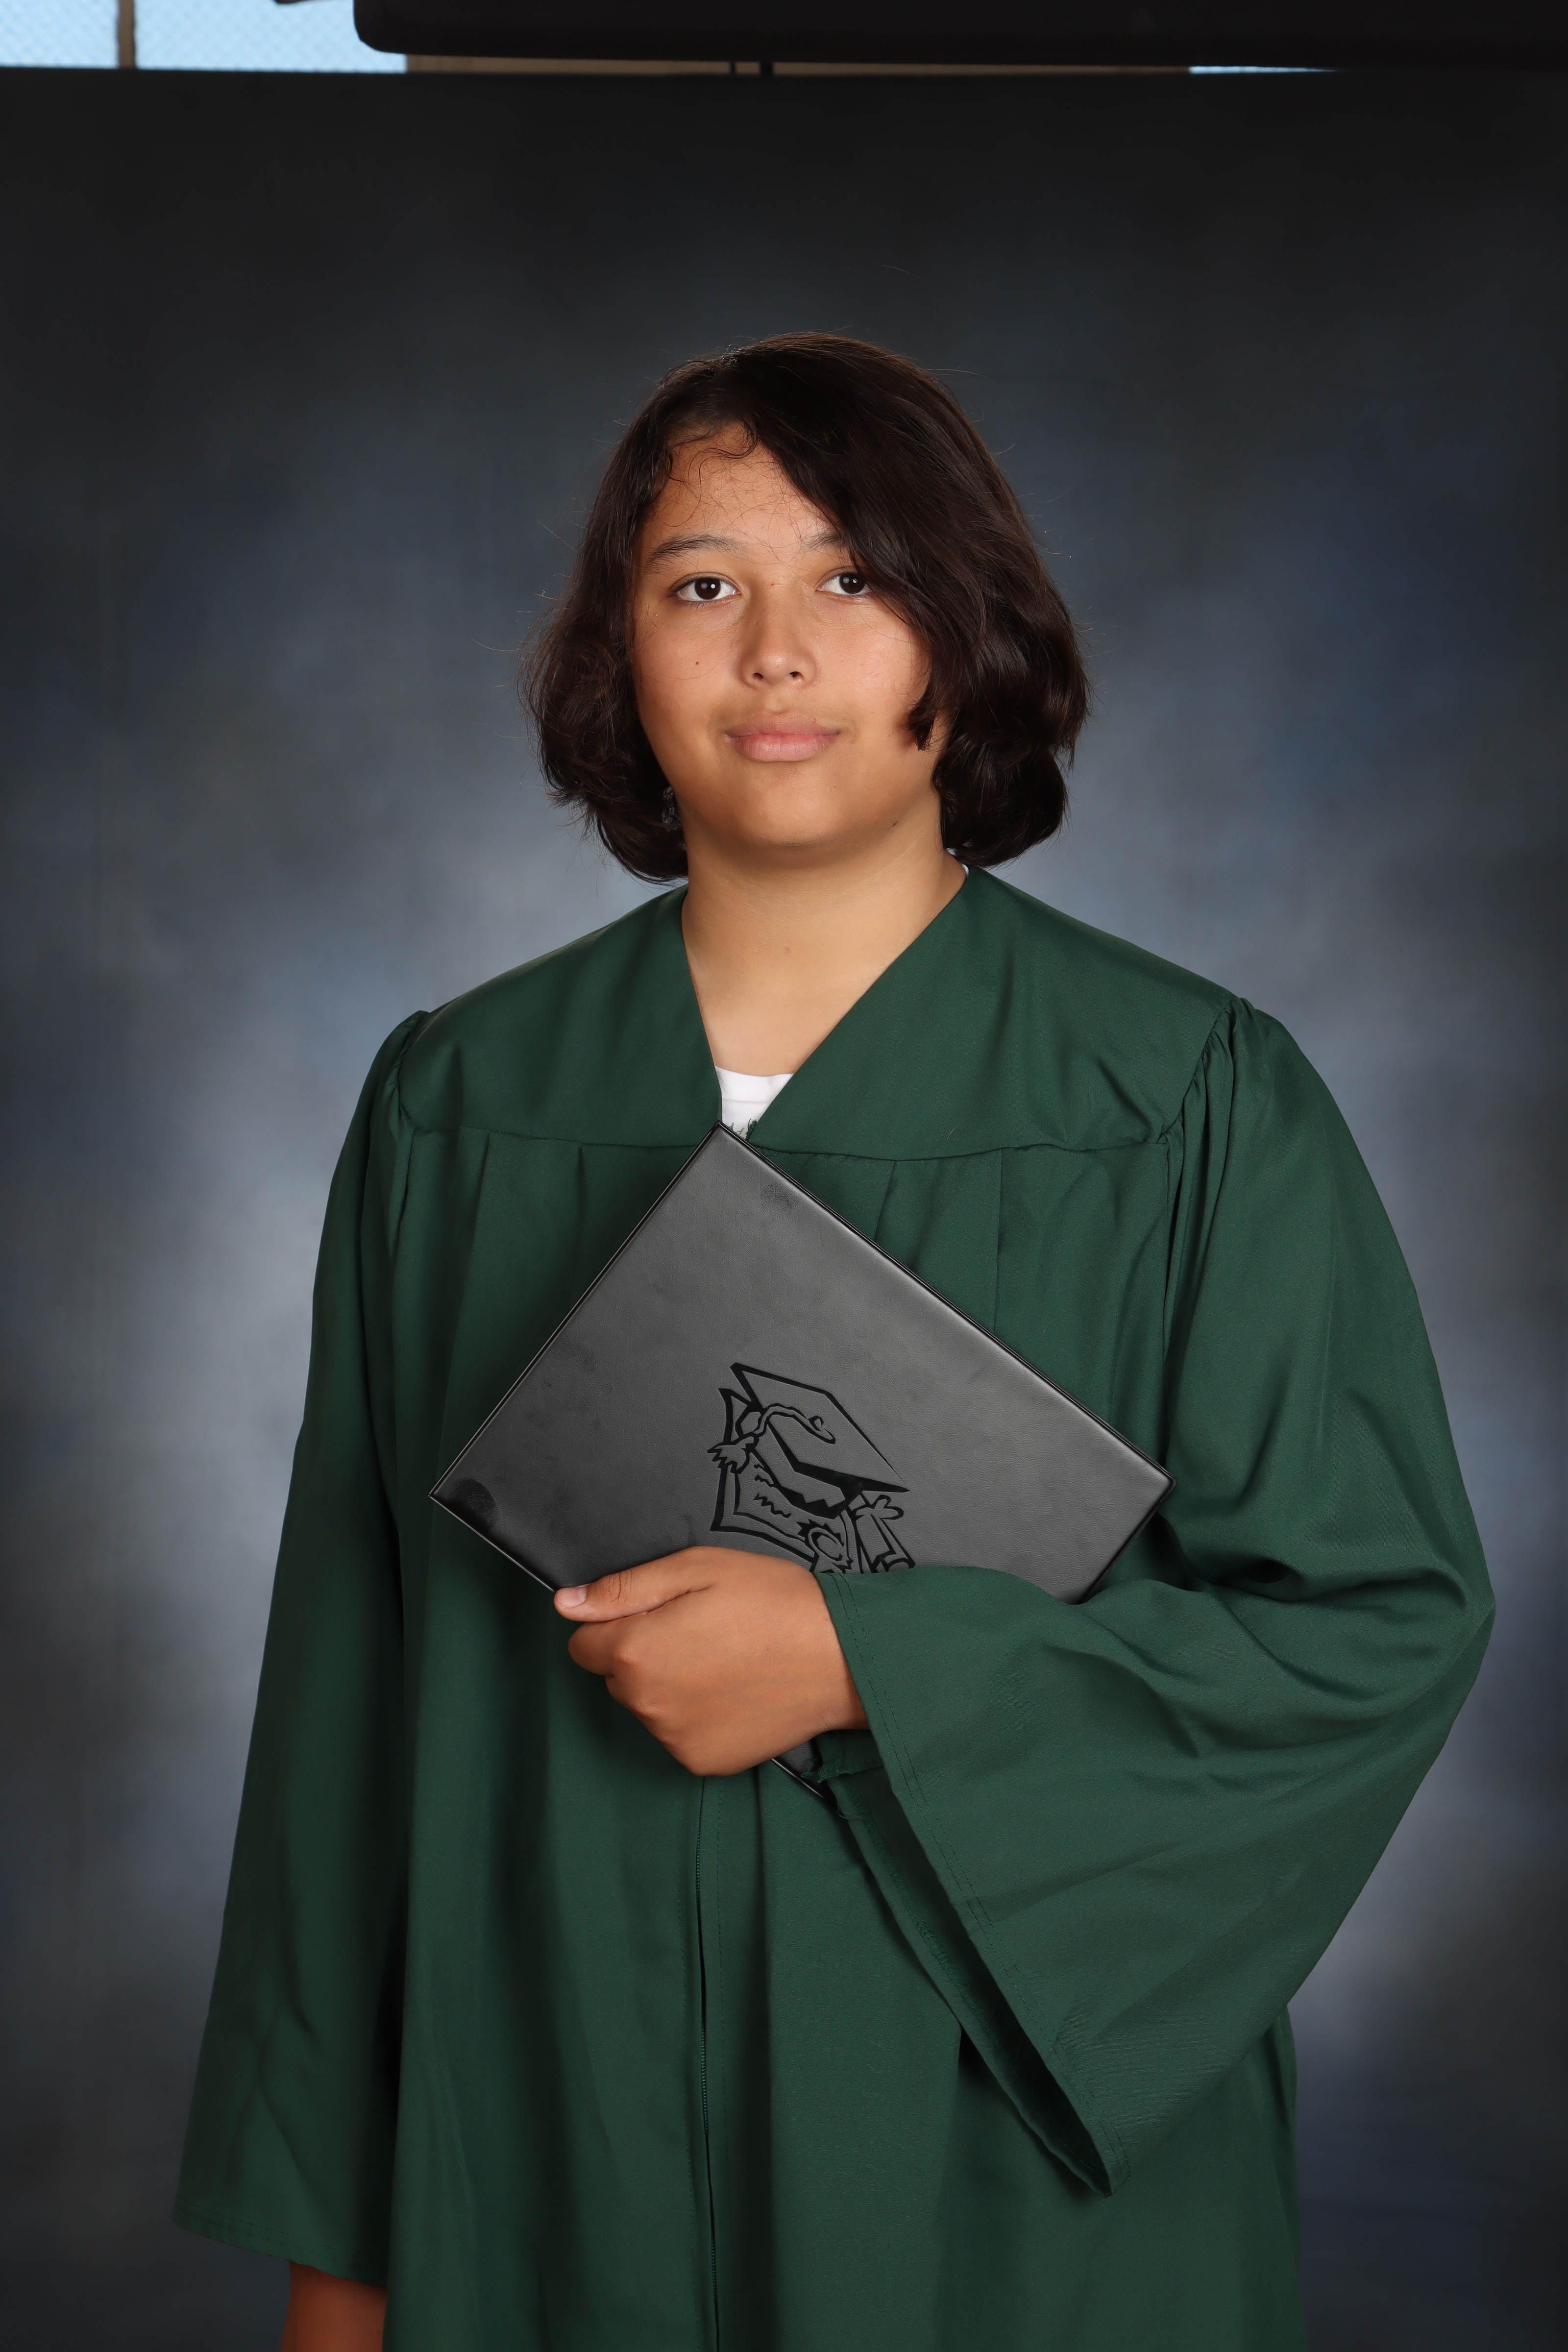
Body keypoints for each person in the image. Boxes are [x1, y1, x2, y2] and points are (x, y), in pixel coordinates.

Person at [176, 335, 1492, 2352]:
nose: (774, 650)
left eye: (852, 576)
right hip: (543, 2140)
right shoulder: (460, 1107)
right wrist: (339, 2273)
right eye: (701, 583)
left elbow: (1364, 1631)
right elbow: (343, 1721)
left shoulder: (1184, 1104)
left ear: (963, 637)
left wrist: (874, 1659)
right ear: (619, 654)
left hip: (1006, 2185)